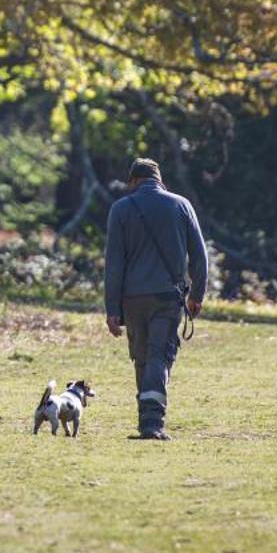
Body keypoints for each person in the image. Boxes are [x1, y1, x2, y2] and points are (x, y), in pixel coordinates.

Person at [103, 157, 211, 440]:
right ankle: (152, 422)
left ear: (134, 181)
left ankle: (146, 420)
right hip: (167, 297)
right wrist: (196, 295)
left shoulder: (120, 209)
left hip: (132, 298)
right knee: (158, 357)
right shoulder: (181, 205)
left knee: (142, 358)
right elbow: (199, 257)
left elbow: (114, 263)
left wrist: (112, 309)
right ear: (159, 180)